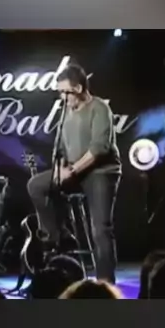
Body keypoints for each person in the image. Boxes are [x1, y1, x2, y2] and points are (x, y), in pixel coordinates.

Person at [27, 63, 122, 284]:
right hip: (74, 172)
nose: (62, 97)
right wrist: (61, 168)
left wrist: (72, 170)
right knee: (36, 186)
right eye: (60, 92)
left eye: (66, 92)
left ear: (79, 88)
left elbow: (99, 149)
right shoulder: (66, 112)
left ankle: (105, 283)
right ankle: (55, 236)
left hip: (100, 172)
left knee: (100, 229)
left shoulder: (99, 108)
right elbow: (61, 148)